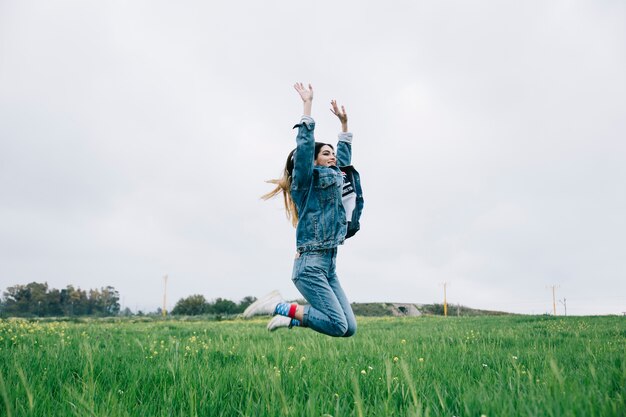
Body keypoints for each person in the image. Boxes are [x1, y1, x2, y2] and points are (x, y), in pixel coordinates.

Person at [242, 83, 364, 337]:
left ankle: (290, 319)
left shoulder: (334, 180)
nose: (333, 157)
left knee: (349, 328)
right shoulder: (307, 183)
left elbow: (343, 162)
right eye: (326, 153)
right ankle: (278, 305)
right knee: (337, 325)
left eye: (333, 154)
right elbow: (306, 146)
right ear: (313, 161)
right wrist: (307, 106)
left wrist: (344, 125)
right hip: (310, 265)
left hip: (328, 265)